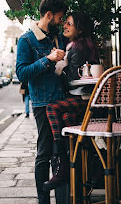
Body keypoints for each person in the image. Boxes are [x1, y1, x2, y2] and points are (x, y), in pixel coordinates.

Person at [16, 0, 68, 204]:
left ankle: (63, 199)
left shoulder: (57, 37)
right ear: (48, 15)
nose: (61, 22)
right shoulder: (26, 40)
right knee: (44, 153)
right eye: (59, 17)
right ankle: (43, 200)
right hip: (43, 104)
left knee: (61, 152)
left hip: (62, 100)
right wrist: (47, 60)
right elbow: (21, 73)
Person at [43, 11, 99, 191]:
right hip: (90, 101)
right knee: (67, 120)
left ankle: (63, 162)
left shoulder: (75, 46)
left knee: (52, 109)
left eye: (69, 23)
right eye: (65, 22)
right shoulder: (87, 44)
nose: (65, 26)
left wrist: (60, 65)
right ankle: (87, 175)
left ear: (79, 28)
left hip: (84, 99)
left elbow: (72, 81)